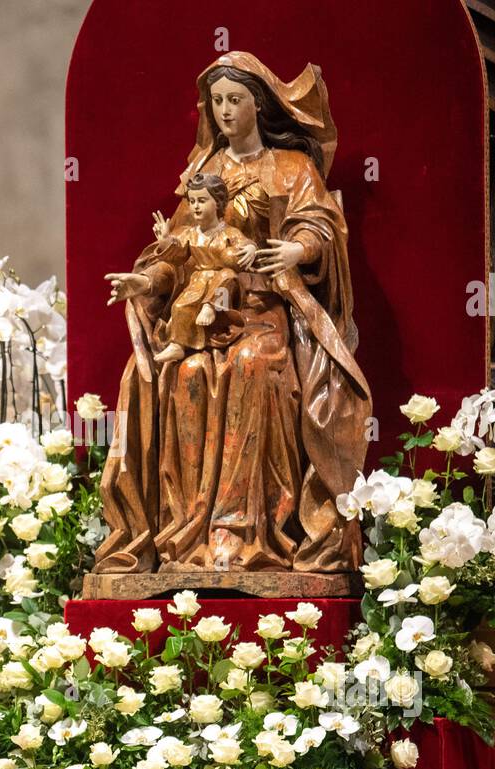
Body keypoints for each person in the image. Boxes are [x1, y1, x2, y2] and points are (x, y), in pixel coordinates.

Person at [98, 52, 372, 574]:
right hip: (203, 316)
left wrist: (298, 250)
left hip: (267, 315)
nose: (225, 110)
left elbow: (321, 226)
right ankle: (189, 532)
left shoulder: (293, 168)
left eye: (235, 100)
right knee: (183, 373)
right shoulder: (204, 171)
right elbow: (179, 248)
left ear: (257, 104)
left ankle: (242, 528)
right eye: (217, 101)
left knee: (250, 366)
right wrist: (148, 279)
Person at [150, 173, 257, 364]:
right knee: (180, 306)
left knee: (227, 275)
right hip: (199, 284)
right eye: (192, 201)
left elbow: (246, 242)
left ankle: (210, 307)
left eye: (201, 200)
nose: (195, 206)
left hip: (226, 294)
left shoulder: (229, 232)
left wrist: (250, 249)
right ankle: (178, 346)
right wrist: (166, 241)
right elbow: (178, 254)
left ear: (217, 203)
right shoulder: (191, 234)